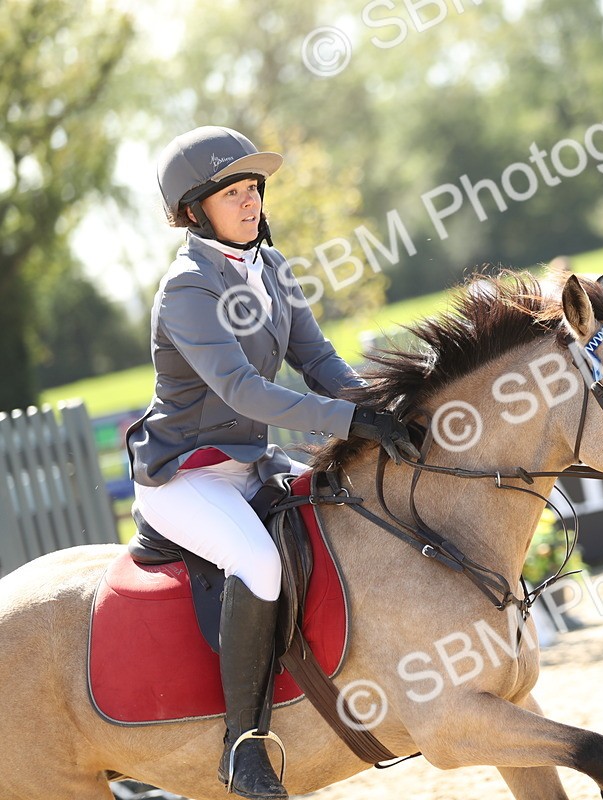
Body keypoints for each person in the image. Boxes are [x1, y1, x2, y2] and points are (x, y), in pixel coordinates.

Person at [124, 126, 415, 799]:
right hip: (185, 476)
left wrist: (385, 405)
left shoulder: (274, 269)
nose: (251, 202)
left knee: (346, 511)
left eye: (254, 189)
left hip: (253, 463)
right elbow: (243, 391)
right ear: (194, 210)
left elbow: (316, 360)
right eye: (234, 192)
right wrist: (349, 421)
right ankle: (243, 747)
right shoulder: (187, 288)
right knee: (256, 564)